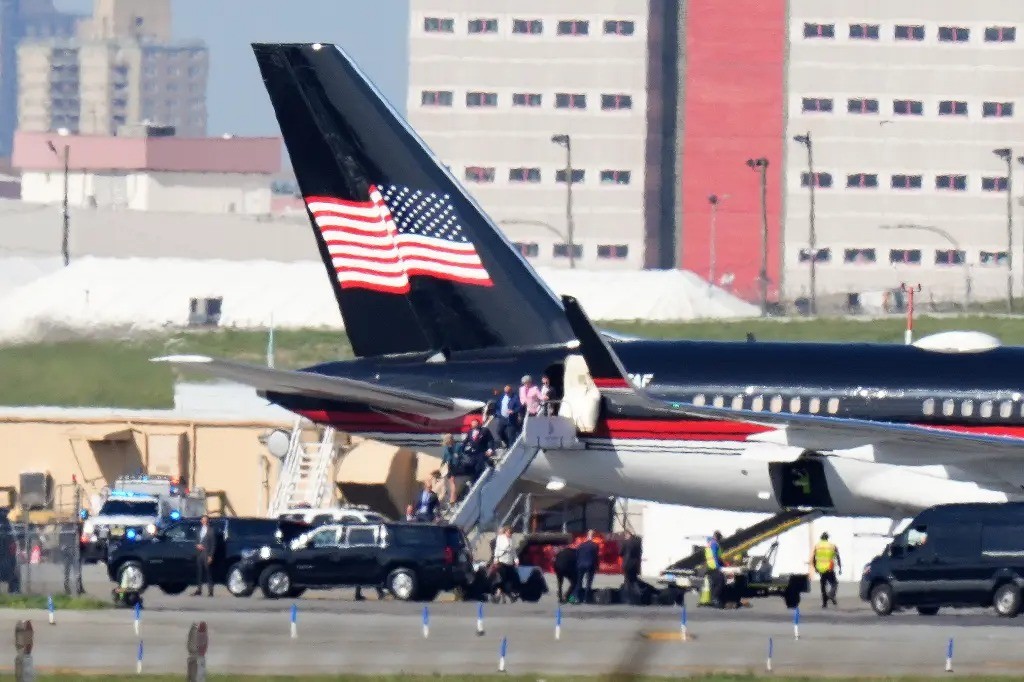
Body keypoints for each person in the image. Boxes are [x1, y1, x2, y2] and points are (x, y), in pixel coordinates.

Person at [811, 532, 841, 608]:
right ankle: (831, 595)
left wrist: (815, 568)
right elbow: (838, 557)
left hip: (821, 569)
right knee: (834, 584)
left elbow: (814, 558)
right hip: (829, 568)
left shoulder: (817, 546)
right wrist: (840, 567)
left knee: (823, 586)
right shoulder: (832, 546)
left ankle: (824, 604)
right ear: (827, 538)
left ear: (821, 538)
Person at [492, 526, 520, 602]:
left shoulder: (512, 540)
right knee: (501, 579)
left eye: (511, 533)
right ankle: (500, 595)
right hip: (501, 561)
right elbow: (497, 549)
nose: (510, 534)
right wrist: (496, 559)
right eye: (508, 532)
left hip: (509, 562)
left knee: (509, 579)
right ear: (505, 532)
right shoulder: (500, 538)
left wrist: (516, 560)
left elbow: (513, 551)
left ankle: (502, 595)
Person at [193, 515, 217, 597]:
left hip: (207, 554)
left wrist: (211, 556)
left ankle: (210, 591)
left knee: (208, 572)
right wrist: (197, 545)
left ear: (208, 521)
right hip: (199, 554)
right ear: (201, 521)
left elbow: (213, 544)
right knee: (199, 572)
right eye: (203, 520)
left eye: (206, 520)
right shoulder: (198, 530)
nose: (204, 521)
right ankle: (199, 590)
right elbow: (196, 541)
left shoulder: (211, 530)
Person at [574, 530, 599, 605]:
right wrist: (597, 566)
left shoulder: (581, 545)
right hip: (590, 565)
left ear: (587, 536)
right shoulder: (595, 545)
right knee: (589, 582)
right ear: (593, 536)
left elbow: (577, 555)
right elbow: (596, 557)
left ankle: (576, 598)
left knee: (579, 582)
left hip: (581, 565)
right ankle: (586, 599)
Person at [620, 530, 643, 605]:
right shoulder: (637, 543)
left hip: (627, 564)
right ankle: (638, 595)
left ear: (627, 535)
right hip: (635, 565)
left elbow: (620, 553)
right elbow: (640, 553)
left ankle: (627, 598)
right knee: (634, 581)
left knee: (627, 581)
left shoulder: (626, 543)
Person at [704, 531, 725, 608]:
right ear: (717, 537)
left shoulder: (709, 543)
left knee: (714, 584)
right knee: (720, 582)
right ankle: (715, 599)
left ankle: (713, 599)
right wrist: (718, 565)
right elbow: (715, 555)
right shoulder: (714, 544)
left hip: (710, 566)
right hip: (714, 566)